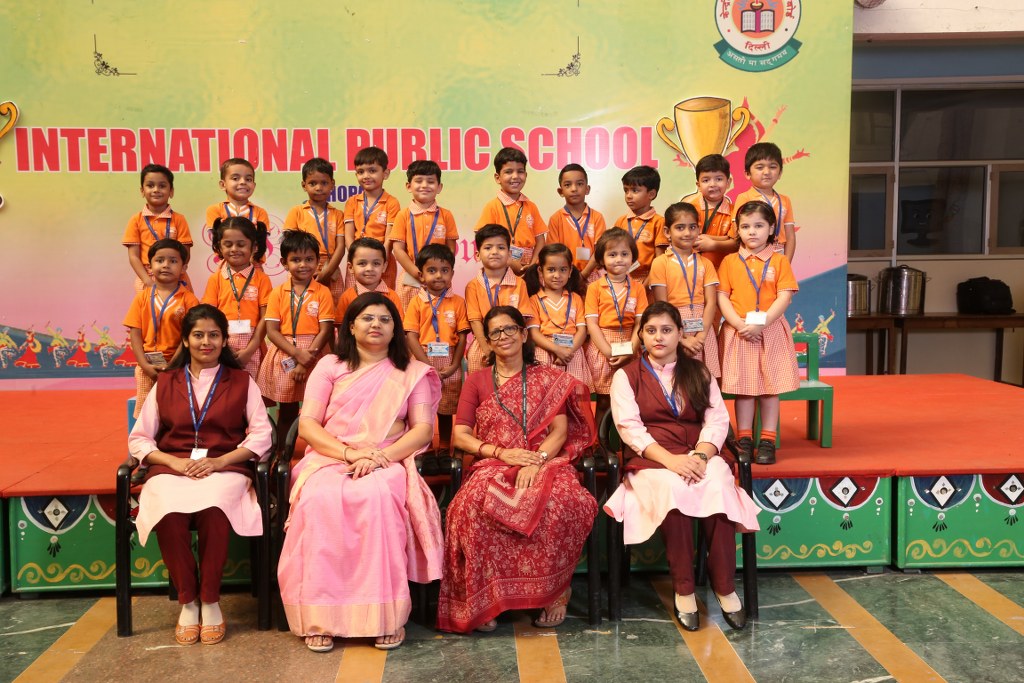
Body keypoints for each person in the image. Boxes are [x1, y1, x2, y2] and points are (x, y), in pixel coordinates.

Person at [277, 292, 443, 653]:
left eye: (385, 319)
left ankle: (383, 616)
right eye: (367, 318)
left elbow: (422, 430)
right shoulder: (330, 366)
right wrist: (349, 453)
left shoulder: (411, 372)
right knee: (318, 499)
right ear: (350, 327)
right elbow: (308, 424)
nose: (376, 325)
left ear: (395, 329)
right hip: (331, 455)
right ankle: (320, 617)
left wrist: (380, 458)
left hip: (387, 458)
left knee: (377, 498)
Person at [436, 306, 597, 633]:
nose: (503, 336)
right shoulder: (477, 380)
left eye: (510, 329)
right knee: (468, 508)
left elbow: (560, 432)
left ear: (524, 335)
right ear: (487, 342)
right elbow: (461, 435)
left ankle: (556, 592)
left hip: (544, 461)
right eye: (495, 332)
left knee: (566, 502)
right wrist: (502, 453)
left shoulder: (547, 378)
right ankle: (485, 598)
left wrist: (536, 461)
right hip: (494, 462)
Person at [603, 302, 759, 632]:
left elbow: (717, 420)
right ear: (641, 335)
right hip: (653, 459)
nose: (658, 337)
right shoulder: (626, 376)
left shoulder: (699, 372)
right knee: (674, 489)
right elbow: (629, 428)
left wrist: (701, 456)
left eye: (666, 330)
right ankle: (684, 588)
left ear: (680, 333)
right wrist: (671, 461)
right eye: (650, 330)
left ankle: (724, 586)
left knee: (718, 485)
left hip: (699, 453)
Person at [129, 304, 273, 646]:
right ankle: (188, 601)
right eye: (198, 335)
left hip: (224, 466)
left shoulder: (242, 381)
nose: (206, 342)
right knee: (168, 511)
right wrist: (173, 462)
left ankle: (210, 600)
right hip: (172, 467)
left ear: (224, 340)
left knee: (214, 508)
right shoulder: (165, 382)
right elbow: (140, 438)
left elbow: (261, 435)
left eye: (213, 335)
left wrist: (220, 462)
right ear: (185, 340)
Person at [717, 201, 800, 465]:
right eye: (745, 226)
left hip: (770, 331)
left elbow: (784, 296)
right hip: (738, 331)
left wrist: (762, 323)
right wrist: (738, 324)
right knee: (743, 388)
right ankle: (744, 439)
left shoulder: (779, 260)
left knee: (769, 388)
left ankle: (767, 440)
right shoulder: (729, 261)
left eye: (759, 226)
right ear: (737, 230)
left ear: (772, 228)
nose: (751, 231)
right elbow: (722, 296)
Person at [256, 230, 335, 451]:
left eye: (309, 259)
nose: (303, 265)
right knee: (287, 410)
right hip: (286, 353)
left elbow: (326, 330)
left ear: (317, 262)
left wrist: (306, 359)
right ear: (284, 263)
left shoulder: (323, 292)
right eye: (296, 259)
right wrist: (297, 354)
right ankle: (282, 453)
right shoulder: (277, 293)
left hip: (315, 354)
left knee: (319, 408)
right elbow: (272, 331)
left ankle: (320, 451)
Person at [123, 239, 200, 417]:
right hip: (147, 366)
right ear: (150, 267)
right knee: (146, 414)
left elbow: (188, 337)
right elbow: (135, 333)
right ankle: (146, 437)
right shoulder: (142, 298)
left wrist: (172, 366)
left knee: (176, 411)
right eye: (159, 260)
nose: (166, 265)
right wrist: (144, 365)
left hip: (180, 365)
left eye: (173, 261)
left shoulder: (189, 300)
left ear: (183, 268)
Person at [404, 244, 469, 446]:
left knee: (446, 408)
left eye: (444, 270)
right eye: (431, 270)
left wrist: (455, 365)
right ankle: (427, 447)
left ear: (452, 274)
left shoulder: (458, 302)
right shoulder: (416, 302)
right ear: (421, 275)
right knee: (422, 406)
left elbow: (462, 336)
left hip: (450, 362)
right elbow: (411, 336)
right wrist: (426, 365)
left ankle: (444, 446)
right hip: (422, 358)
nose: (439, 275)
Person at [585, 228, 647, 430]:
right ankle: (598, 444)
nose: (619, 259)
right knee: (604, 400)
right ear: (601, 259)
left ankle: (627, 443)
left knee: (630, 400)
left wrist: (630, 350)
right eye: (612, 255)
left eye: (624, 254)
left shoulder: (638, 287)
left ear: (632, 257)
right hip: (602, 347)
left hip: (630, 344)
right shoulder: (595, 287)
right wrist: (608, 352)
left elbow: (640, 323)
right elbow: (592, 324)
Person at [650, 203, 721, 378]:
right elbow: (662, 305)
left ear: (699, 229)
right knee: (676, 379)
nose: (687, 233)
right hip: (673, 327)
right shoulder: (660, 263)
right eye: (680, 228)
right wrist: (681, 338)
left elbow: (711, 302)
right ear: (667, 232)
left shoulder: (706, 263)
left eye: (692, 227)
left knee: (704, 380)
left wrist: (701, 337)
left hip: (703, 328)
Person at [201, 216, 272, 379]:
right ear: (219, 247)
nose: (234, 249)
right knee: (223, 387)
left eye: (241, 244)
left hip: (253, 345)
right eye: (228, 244)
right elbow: (209, 316)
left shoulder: (262, 279)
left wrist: (250, 350)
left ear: (254, 247)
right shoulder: (215, 279)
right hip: (222, 344)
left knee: (251, 388)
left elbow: (266, 318)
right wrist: (221, 345)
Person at [390, 160, 459, 310]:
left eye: (430, 181)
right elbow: (398, 250)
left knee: (441, 316)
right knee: (408, 318)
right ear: (408, 186)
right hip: (410, 279)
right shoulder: (403, 215)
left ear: (439, 187)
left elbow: (451, 250)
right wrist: (418, 274)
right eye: (419, 181)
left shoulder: (446, 215)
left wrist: (438, 273)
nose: (424, 185)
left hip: (438, 279)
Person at [524, 244, 592, 391]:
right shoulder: (534, 300)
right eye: (551, 269)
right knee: (547, 395)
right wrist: (557, 350)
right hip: (545, 352)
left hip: (572, 352)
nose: (557, 275)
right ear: (540, 271)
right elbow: (534, 333)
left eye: (563, 269)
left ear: (570, 271)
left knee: (574, 395)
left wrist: (568, 351)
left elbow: (582, 331)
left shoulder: (576, 299)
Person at [464, 224, 532, 373]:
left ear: (509, 254)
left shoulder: (520, 283)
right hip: (484, 342)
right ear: (477, 255)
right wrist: (488, 349)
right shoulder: (472, 286)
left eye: (501, 247)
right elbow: (475, 321)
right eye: (488, 248)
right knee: (478, 369)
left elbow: (522, 319)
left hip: (512, 341)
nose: (494, 252)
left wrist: (510, 341)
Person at [474, 147, 547, 275]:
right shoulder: (492, 207)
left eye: (520, 171)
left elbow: (540, 241)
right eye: (508, 172)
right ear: (498, 178)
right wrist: (510, 261)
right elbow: (483, 239)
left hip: (530, 268)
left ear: (526, 175)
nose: (515, 176)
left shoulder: (531, 206)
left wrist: (532, 265)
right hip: (501, 266)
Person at [283, 158, 346, 300]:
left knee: (333, 304)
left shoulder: (337, 214)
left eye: (324, 183)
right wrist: (303, 265)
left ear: (332, 184)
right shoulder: (296, 212)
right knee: (300, 304)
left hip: (331, 266)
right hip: (302, 265)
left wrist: (326, 273)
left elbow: (341, 247)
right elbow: (289, 245)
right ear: (304, 185)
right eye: (313, 183)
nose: (318, 188)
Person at [122, 164, 193, 292]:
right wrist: (147, 281)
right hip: (147, 277)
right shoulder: (136, 220)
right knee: (148, 305)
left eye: (162, 186)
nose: (156, 190)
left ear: (171, 191)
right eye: (150, 185)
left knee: (185, 304)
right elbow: (133, 256)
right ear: (142, 191)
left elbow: (185, 253)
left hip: (175, 276)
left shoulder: (179, 219)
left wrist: (175, 275)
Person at [343, 146, 401, 289]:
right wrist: (355, 256)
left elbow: (389, 238)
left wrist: (380, 260)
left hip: (382, 260)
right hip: (358, 260)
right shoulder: (352, 202)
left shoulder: (392, 202)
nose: (366, 176)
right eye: (361, 172)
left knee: (384, 297)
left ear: (385, 173)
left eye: (372, 171)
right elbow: (348, 235)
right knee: (355, 298)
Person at [732, 142, 798, 261]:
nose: (767, 172)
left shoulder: (785, 200)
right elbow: (737, 231)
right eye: (760, 167)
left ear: (780, 173)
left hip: (779, 253)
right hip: (752, 254)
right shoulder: (744, 198)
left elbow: (790, 236)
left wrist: (786, 263)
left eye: (772, 167)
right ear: (747, 174)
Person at [544, 163, 607, 283]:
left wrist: (583, 275)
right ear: (560, 191)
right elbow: (553, 253)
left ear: (587, 189)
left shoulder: (597, 217)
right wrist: (568, 274)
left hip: (592, 275)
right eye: (568, 185)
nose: (574, 189)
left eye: (579, 184)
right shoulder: (556, 219)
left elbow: (600, 251)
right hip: (564, 277)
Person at [204, 158, 271, 267]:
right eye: (235, 178)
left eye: (248, 179)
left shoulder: (260, 212)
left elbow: (261, 242)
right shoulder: (215, 210)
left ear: (254, 185)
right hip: (226, 265)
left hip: (254, 265)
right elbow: (217, 241)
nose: (243, 182)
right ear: (223, 184)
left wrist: (252, 262)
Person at [680, 154, 738, 270]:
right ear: (698, 185)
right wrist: (726, 239)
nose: (713, 184)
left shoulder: (736, 211)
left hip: (724, 271)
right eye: (706, 180)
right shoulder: (688, 210)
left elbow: (737, 243)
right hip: (692, 270)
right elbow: (684, 238)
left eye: (719, 179)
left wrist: (713, 244)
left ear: (728, 182)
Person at [613, 165, 663, 286]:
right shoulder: (621, 221)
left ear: (651, 194)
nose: (628, 196)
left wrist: (645, 285)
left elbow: (660, 260)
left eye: (635, 191)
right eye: (626, 190)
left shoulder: (659, 222)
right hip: (622, 279)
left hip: (649, 280)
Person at [335, 237, 403, 322]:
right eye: (362, 263)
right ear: (351, 267)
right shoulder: (346, 297)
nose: (369, 268)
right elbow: (342, 327)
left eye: (376, 263)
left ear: (384, 267)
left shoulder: (392, 297)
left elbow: (399, 325)